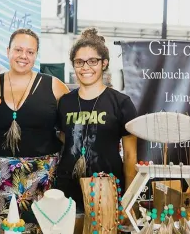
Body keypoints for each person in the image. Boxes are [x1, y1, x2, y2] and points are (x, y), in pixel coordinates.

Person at [0, 28, 69, 234]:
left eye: (30, 51)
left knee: (39, 227)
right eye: (18, 49)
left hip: (40, 178)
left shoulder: (55, 86)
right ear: (8, 50)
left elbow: (69, 131)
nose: (23, 56)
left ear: (36, 55)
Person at [55, 28, 138, 214]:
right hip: (68, 188)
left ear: (104, 63)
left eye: (93, 61)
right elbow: (63, 138)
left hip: (107, 188)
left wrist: (129, 197)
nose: (85, 67)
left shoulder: (121, 103)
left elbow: (131, 155)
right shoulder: (65, 102)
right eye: (79, 62)